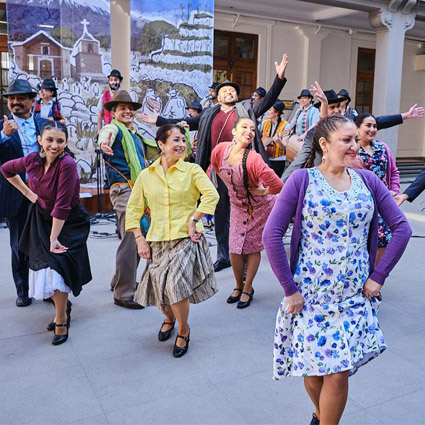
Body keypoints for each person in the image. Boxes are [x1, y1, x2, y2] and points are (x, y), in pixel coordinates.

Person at [263, 115, 411, 425]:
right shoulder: (302, 181)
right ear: (324, 144)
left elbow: (401, 228)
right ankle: (320, 414)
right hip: (309, 297)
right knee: (315, 373)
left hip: (352, 296)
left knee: (339, 373)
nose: (355, 146)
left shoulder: (368, 181)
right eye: (347, 140)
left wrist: (378, 277)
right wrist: (290, 290)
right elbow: (271, 235)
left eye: (356, 139)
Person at [140, 54, 289, 273]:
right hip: (218, 171)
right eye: (224, 90)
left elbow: (267, 101)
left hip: (243, 170)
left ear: (237, 96)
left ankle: (245, 256)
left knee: (243, 213)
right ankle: (224, 255)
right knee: (220, 212)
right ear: (217, 96)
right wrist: (160, 121)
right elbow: (187, 124)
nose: (229, 92)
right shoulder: (209, 113)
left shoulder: (246, 109)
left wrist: (279, 78)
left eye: (232, 90)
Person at [125, 124, 219, 357]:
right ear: (161, 145)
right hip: (157, 239)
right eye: (175, 140)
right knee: (159, 290)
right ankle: (169, 318)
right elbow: (133, 209)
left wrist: (195, 218)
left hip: (186, 237)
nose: (181, 145)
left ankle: (184, 330)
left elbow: (212, 195)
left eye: (183, 141)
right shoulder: (146, 176)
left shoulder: (192, 170)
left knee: (175, 285)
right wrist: (139, 239)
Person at [1, 122, 92, 345]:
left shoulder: (67, 165)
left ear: (65, 143)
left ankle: (61, 318)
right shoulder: (32, 160)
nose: (54, 145)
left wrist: (53, 239)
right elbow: (6, 170)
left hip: (69, 222)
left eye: (60, 141)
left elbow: (62, 205)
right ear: (40, 140)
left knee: (57, 268)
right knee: (43, 266)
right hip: (41, 217)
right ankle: (63, 306)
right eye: (49, 139)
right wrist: (28, 193)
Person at [211, 118, 283, 308]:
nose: (249, 131)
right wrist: (229, 187)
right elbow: (215, 166)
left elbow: (277, 185)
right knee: (235, 248)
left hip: (259, 207)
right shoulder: (220, 149)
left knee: (251, 247)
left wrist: (263, 191)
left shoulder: (253, 158)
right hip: (237, 205)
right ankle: (238, 285)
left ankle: (248, 287)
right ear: (234, 131)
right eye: (244, 127)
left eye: (253, 129)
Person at [282, 87, 425, 182]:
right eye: (332, 107)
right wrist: (279, 187)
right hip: (321, 183)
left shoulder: (349, 124)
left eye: (338, 106)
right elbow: (298, 162)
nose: (337, 110)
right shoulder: (313, 134)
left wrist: (404, 116)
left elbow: (376, 122)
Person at [99, 90, 159, 309]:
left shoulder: (135, 135)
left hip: (138, 191)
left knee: (132, 237)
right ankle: (123, 293)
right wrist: (104, 143)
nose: (128, 111)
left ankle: (119, 280)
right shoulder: (113, 128)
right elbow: (106, 134)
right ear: (113, 112)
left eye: (131, 108)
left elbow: (154, 154)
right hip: (124, 189)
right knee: (133, 239)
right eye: (122, 108)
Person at [0, 79, 50, 307]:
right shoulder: (1, 128)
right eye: (11, 99)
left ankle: (48, 288)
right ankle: (24, 290)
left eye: (21, 98)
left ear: (32, 101)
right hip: (16, 195)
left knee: (47, 242)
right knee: (19, 245)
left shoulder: (45, 125)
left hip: (44, 194)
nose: (15, 102)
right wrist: (3, 136)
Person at [355, 113, 400, 264]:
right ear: (357, 128)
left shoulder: (383, 147)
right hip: (360, 204)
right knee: (361, 241)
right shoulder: (352, 150)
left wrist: (394, 191)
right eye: (368, 125)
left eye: (374, 126)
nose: (372, 129)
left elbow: (394, 172)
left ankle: (373, 276)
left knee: (384, 240)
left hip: (382, 204)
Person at [259, 100, 291, 177]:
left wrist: (277, 140)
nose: (267, 112)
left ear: (276, 113)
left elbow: (284, 147)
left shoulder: (286, 126)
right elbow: (257, 138)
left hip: (278, 160)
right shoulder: (264, 123)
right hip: (265, 157)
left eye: (270, 110)